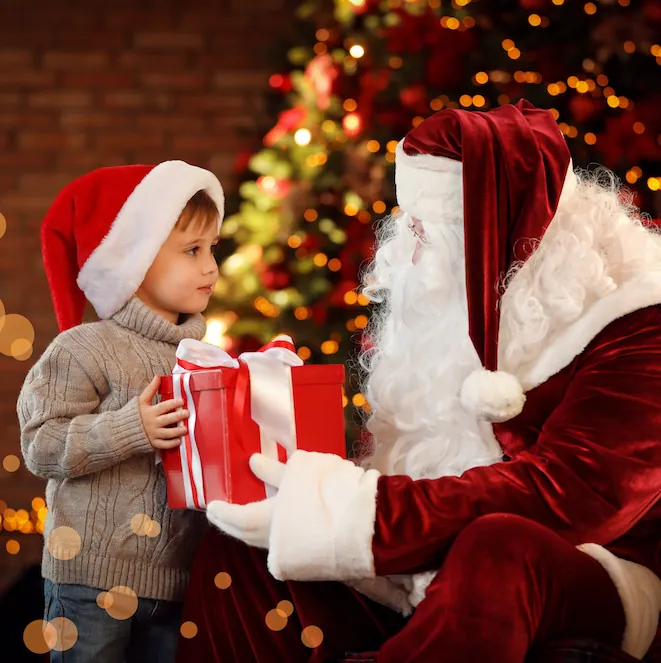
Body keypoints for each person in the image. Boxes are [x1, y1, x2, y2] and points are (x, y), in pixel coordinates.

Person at [176, 100, 661, 663]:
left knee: (498, 545)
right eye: (410, 223)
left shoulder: (637, 317)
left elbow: (576, 496)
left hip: (592, 567)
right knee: (244, 554)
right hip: (423, 559)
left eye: (432, 228)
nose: (410, 248)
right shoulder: (447, 304)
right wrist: (305, 497)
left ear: (502, 228)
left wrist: (349, 514)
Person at [17, 161, 225, 663]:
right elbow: (40, 445)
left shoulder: (203, 359)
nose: (211, 266)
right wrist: (134, 426)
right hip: (90, 578)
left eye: (212, 248)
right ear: (135, 262)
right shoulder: (84, 348)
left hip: (175, 580)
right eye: (192, 251)